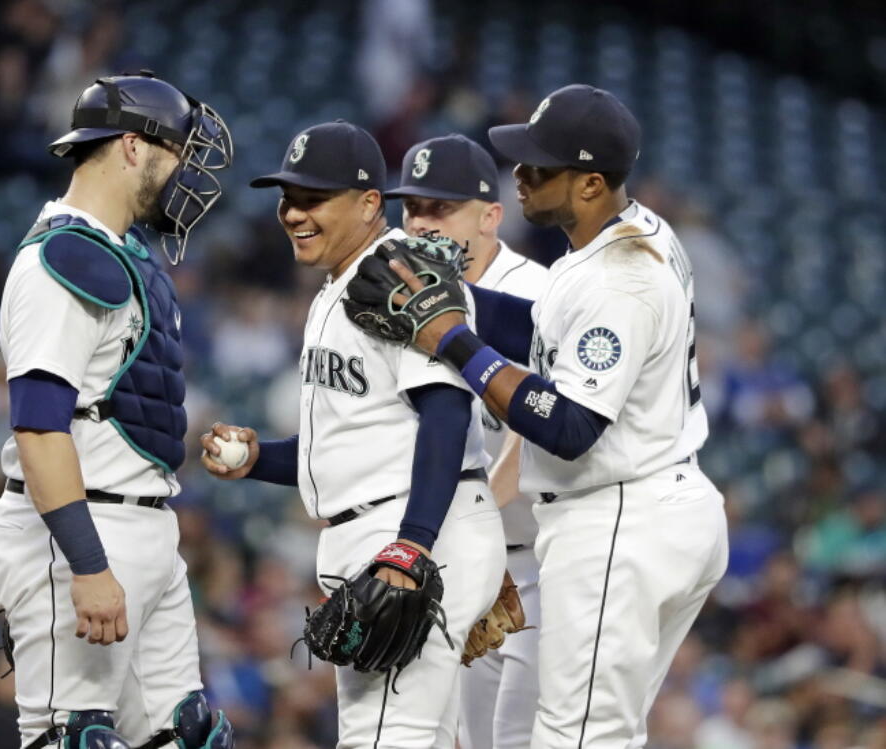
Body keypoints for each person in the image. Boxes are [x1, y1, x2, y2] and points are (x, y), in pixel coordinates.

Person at [347, 84, 729, 749]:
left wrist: (454, 339)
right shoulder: (627, 236)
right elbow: (552, 324)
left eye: (539, 167)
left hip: (619, 518)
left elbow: (569, 427)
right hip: (657, 507)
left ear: (588, 185)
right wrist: (457, 299)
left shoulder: (621, 276)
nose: (518, 174)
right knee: (595, 731)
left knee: (575, 738)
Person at [203, 120, 506, 748]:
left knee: (386, 738)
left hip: (414, 531)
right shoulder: (336, 286)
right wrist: (258, 459)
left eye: (314, 198)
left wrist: (412, 548)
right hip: (383, 527)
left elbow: (448, 414)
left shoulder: (403, 272)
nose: (293, 212)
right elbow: (347, 447)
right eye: (288, 198)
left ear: (370, 202)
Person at [0, 72, 234, 749]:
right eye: (177, 150)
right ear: (131, 145)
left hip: (145, 524)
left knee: (189, 735)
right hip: (80, 531)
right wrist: (88, 564)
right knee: (74, 737)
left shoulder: (126, 253)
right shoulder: (63, 257)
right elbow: (38, 426)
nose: (186, 171)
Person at [385, 133, 548, 749]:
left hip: (541, 555)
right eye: (413, 208)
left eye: (441, 208)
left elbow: (533, 434)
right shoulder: (397, 299)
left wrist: (454, 531)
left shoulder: (535, 292)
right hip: (467, 555)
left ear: (490, 215)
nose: (423, 223)